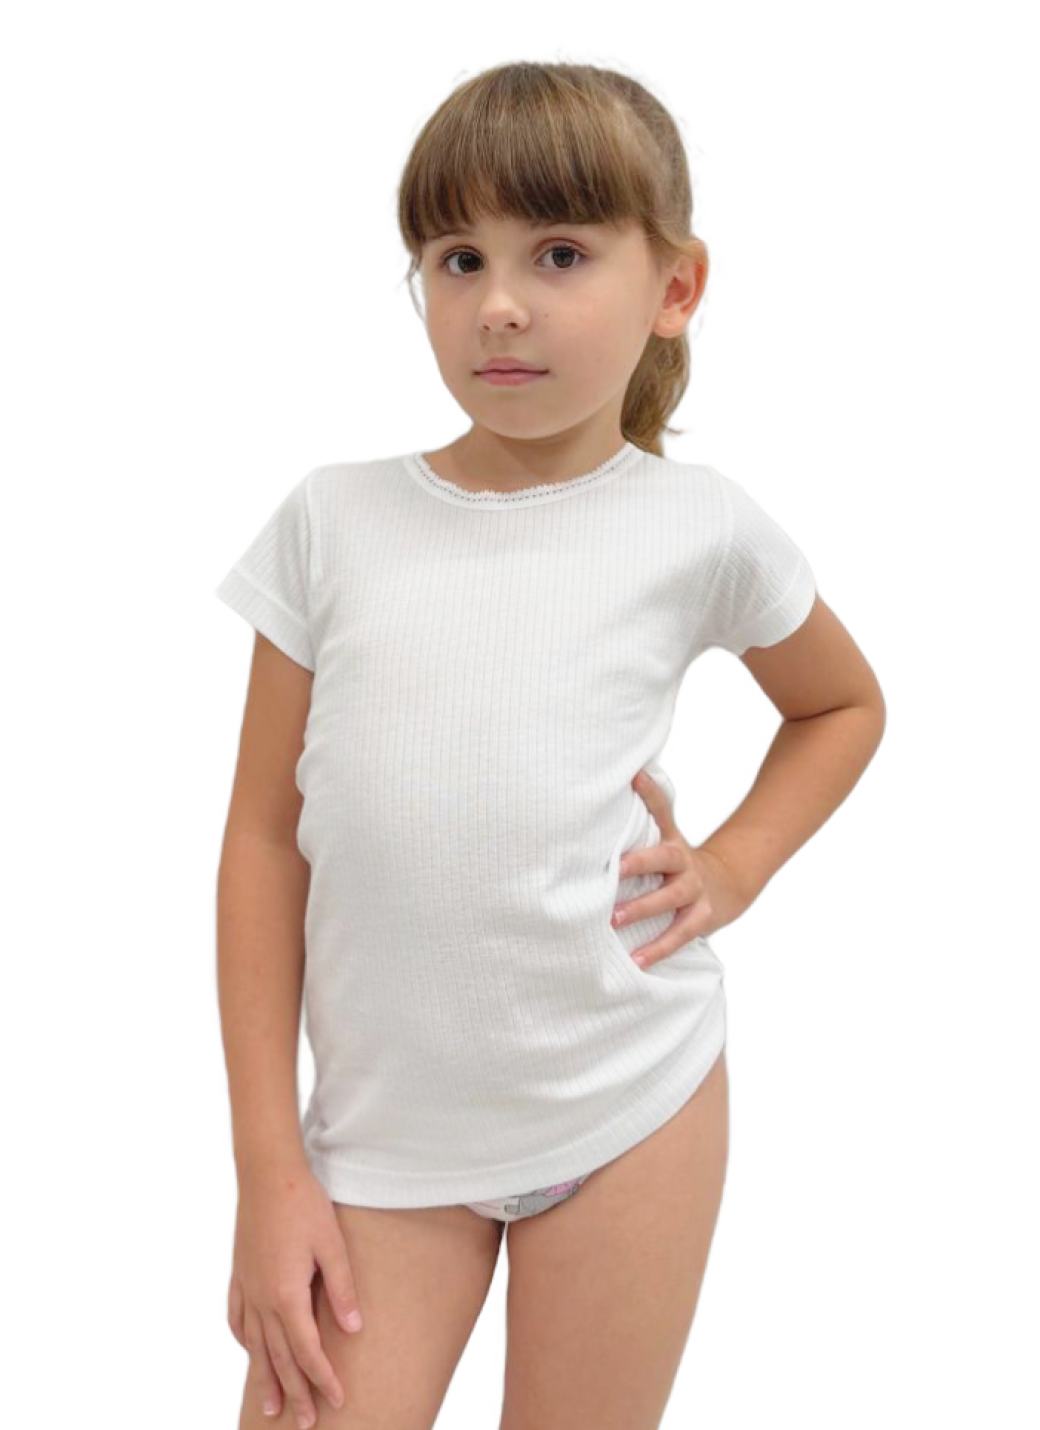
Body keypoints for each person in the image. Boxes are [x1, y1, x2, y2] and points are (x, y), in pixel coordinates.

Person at [215, 60, 886, 1430]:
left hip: (629, 1103)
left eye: (561, 253)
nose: (500, 304)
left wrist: (735, 867)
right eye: (458, 258)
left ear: (675, 287)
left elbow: (841, 705)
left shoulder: (699, 524)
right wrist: (269, 1173)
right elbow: (265, 841)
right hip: (383, 1147)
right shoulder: (331, 523)